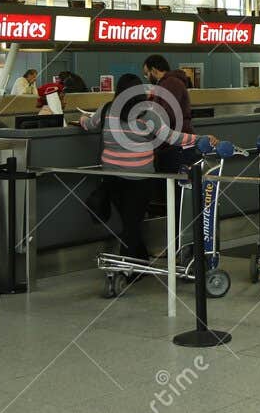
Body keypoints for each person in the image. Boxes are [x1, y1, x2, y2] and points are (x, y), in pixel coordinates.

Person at [80, 72, 208, 280]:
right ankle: (129, 269)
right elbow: (172, 137)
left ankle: (133, 267)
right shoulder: (148, 115)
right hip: (140, 179)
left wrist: (82, 119)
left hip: (112, 177)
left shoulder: (106, 110)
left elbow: (90, 124)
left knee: (130, 223)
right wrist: (199, 139)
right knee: (132, 224)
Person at [143, 56, 194, 175]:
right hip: (174, 144)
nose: (146, 77)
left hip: (175, 146)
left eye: (147, 73)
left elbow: (167, 114)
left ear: (154, 70)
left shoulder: (170, 83)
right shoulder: (167, 84)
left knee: (173, 186)